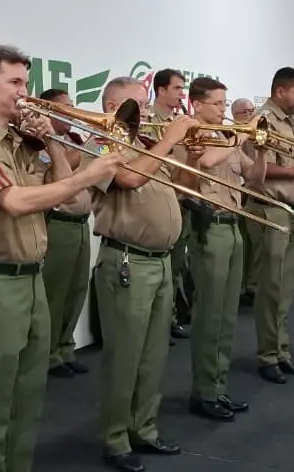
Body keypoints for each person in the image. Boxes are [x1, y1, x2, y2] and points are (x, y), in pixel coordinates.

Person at [0, 45, 120, 472]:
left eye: (26, 82)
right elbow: (16, 200)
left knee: (28, 394)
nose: (26, 93)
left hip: (30, 280)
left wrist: (51, 144)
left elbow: (69, 198)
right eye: (16, 83)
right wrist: (89, 173)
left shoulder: (22, 142)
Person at [83, 76, 194, 472]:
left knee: (153, 354)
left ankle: (143, 428)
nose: (146, 112)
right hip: (128, 261)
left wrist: (184, 147)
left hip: (162, 261)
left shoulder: (143, 145)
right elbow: (130, 180)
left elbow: (182, 185)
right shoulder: (97, 145)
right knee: (125, 355)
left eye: (147, 105)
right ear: (113, 106)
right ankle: (115, 438)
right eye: (138, 105)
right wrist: (169, 140)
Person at [181, 77, 264, 423]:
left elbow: (254, 179)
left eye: (224, 103)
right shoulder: (193, 137)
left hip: (234, 227)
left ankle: (218, 385)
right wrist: (241, 135)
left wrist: (259, 148)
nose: (222, 109)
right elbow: (208, 163)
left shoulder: (227, 138)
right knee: (210, 314)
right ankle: (203, 390)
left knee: (228, 315)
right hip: (209, 230)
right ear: (197, 104)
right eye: (217, 103)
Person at [247, 67, 294, 384]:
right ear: (280, 91)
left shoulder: (293, 121)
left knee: (286, 287)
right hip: (269, 209)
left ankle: (281, 350)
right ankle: (267, 355)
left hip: (290, 209)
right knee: (271, 287)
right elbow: (260, 171)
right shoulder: (262, 121)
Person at [35, 88, 95, 379]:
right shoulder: (41, 144)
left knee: (76, 291)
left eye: (73, 106)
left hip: (82, 224)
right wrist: (92, 143)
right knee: (55, 293)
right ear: (47, 112)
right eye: (65, 108)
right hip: (58, 224)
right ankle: (48, 354)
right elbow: (53, 176)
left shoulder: (74, 140)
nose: (72, 113)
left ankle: (65, 347)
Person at [149, 68, 192, 341]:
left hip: (179, 202)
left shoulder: (180, 122)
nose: (181, 94)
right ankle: (162, 320)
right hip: (158, 202)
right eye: (177, 88)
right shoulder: (149, 122)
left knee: (175, 268)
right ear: (161, 90)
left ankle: (172, 315)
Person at [231, 97, 259, 306]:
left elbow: (254, 171)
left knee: (250, 246)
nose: (250, 115)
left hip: (251, 193)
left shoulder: (254, 134)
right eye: (245, 112)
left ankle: (250, 285)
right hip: (237, 194)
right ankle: (240, 287)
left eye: (252, 111)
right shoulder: (231, 135)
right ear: (235, 116)